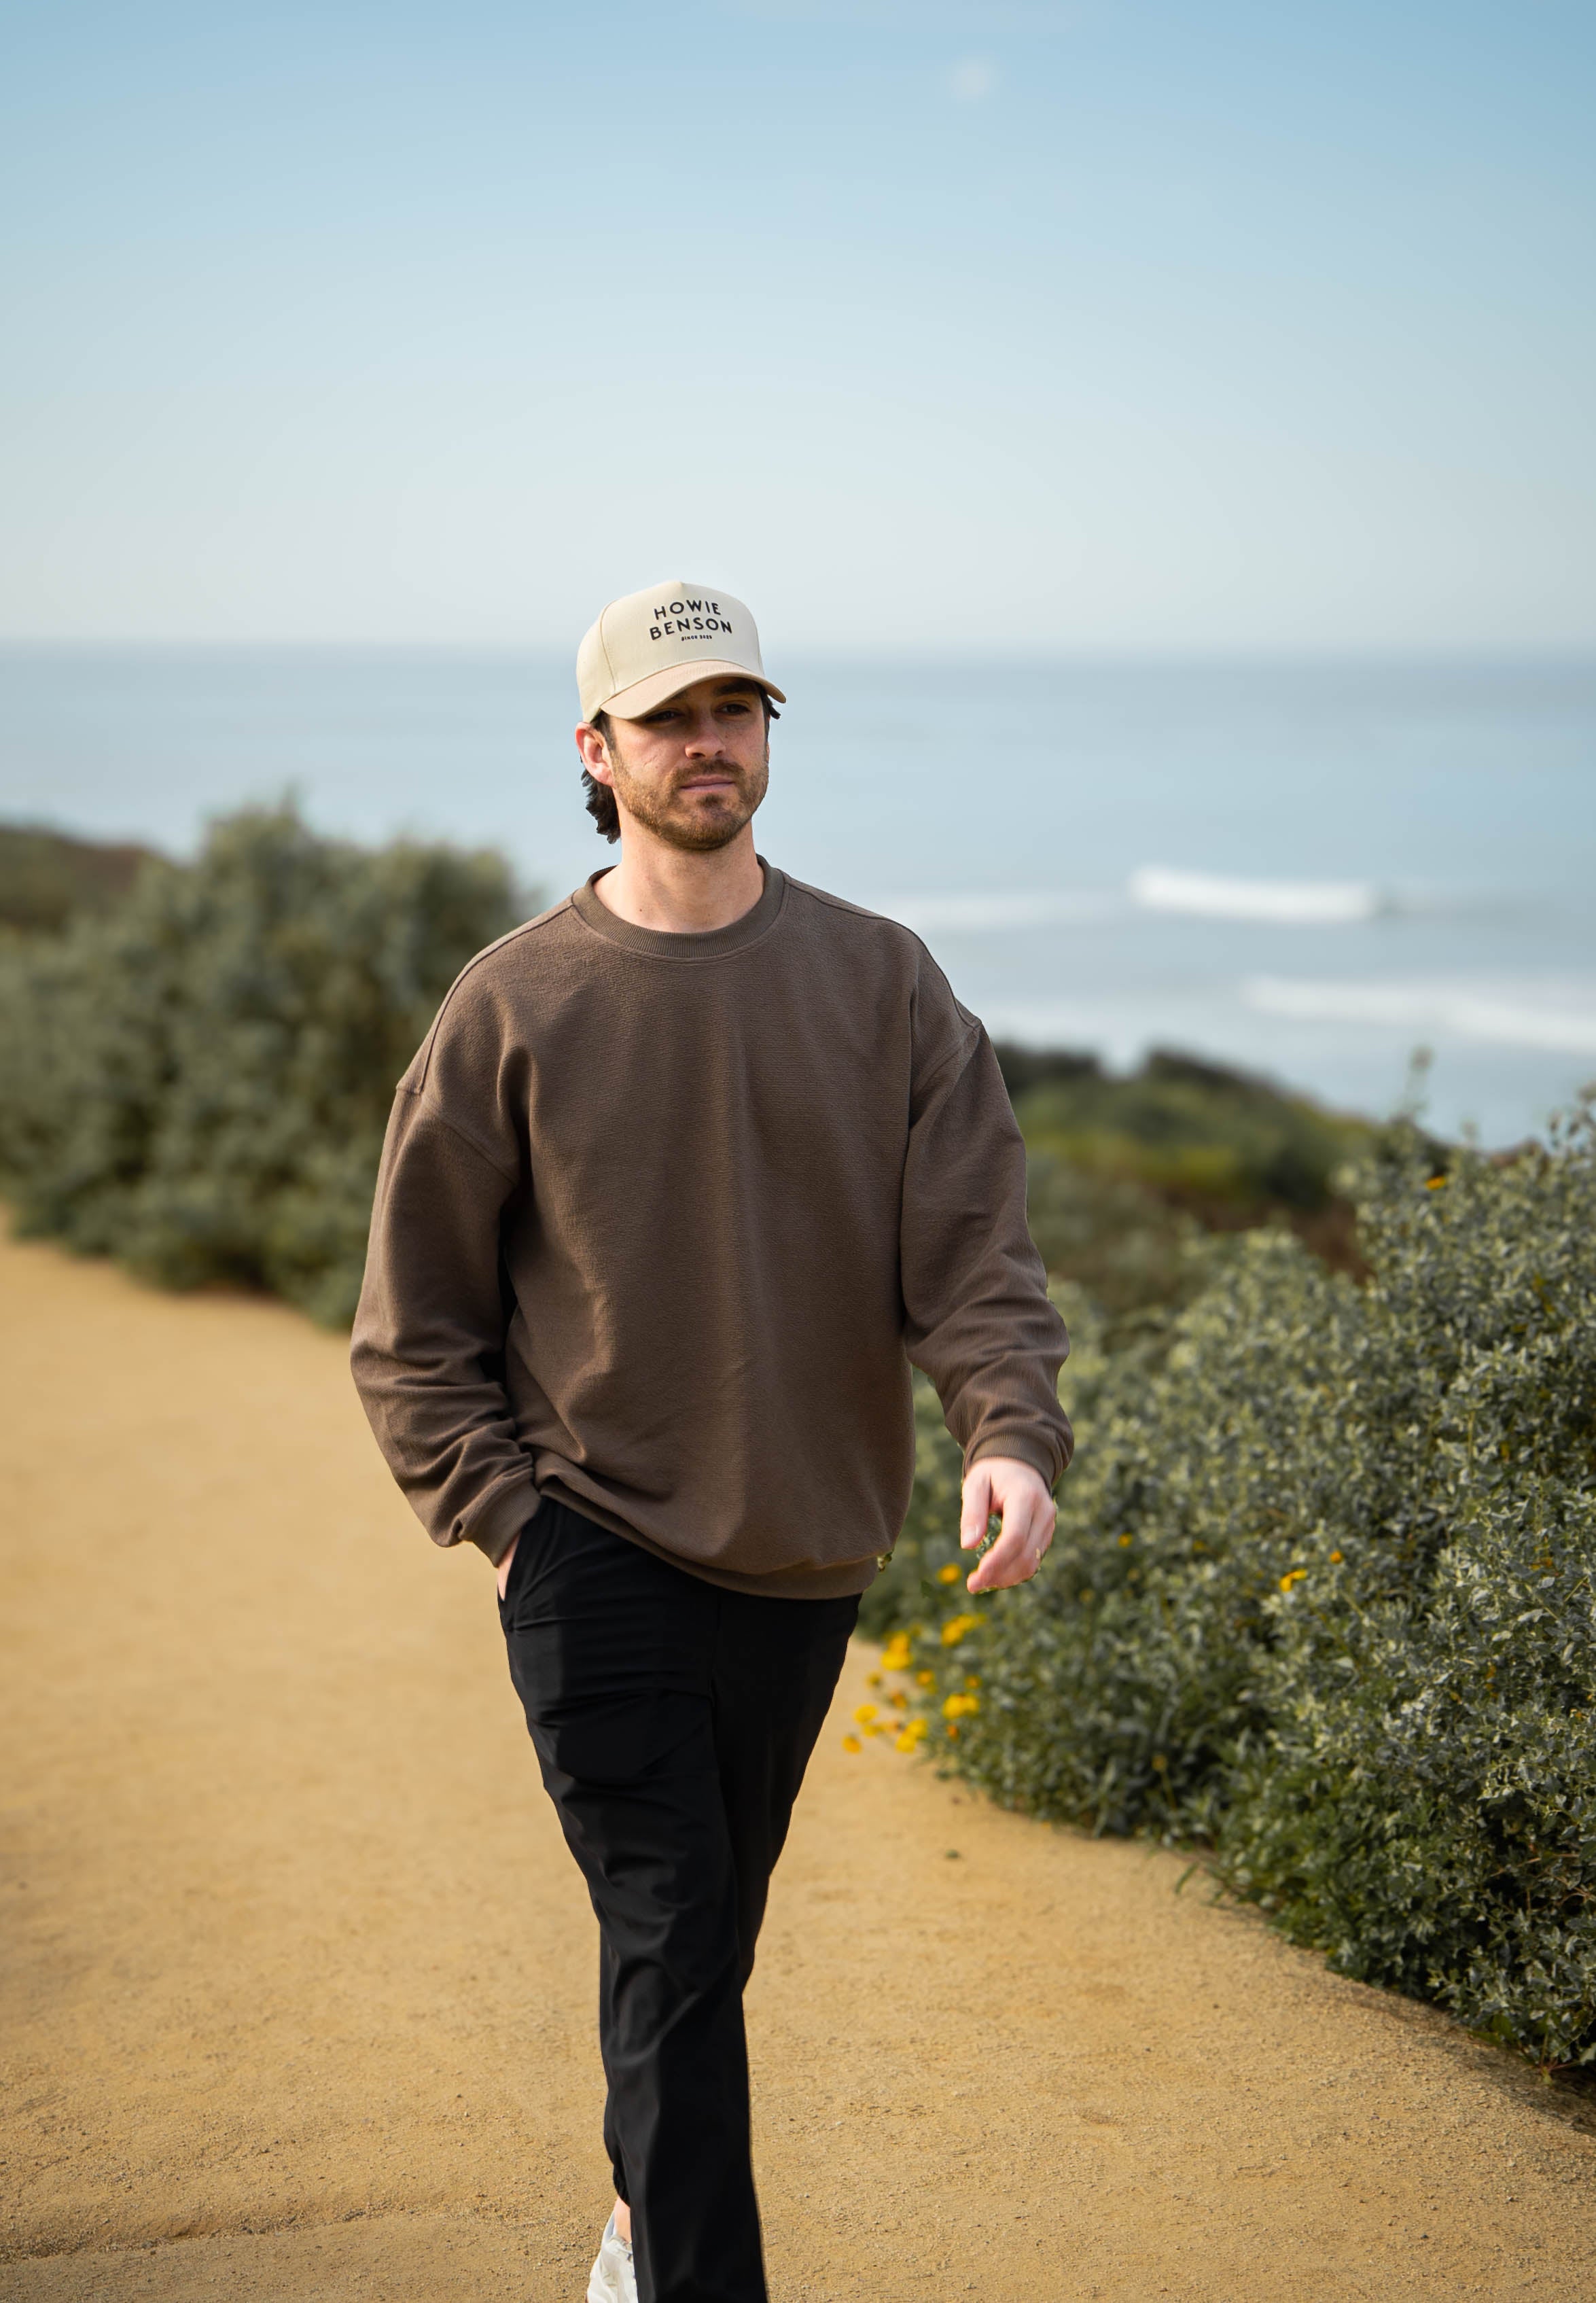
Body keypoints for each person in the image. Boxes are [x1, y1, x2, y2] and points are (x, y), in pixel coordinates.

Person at [350, 579, 1071, 2303]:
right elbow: (413, 1323)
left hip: (806, 1550)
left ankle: (628, 2233)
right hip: (589, 1547)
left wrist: (1006, 1431)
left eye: (733, 711)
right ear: (594, 753)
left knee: (702, 1942)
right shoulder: (514, 1003)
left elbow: (975, 1256)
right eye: (668, 719)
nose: (706, 745)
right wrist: (511, 1526)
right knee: (676, 1933)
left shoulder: (880, 982)